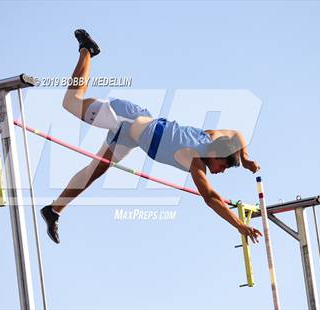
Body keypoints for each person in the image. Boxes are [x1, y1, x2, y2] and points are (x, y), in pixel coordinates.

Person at [41, 29, 262, 244]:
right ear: (215, 153)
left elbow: (237, 134)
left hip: (131, 138)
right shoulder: (195, 161)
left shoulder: (211, 136)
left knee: (94, 172)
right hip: (128, 118)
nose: (221, 171)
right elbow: (211, 198)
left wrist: (245, 158)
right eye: (222, 165)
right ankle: (87, 50)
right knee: (71, 102)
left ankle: (54, 211)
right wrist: (239, 225)